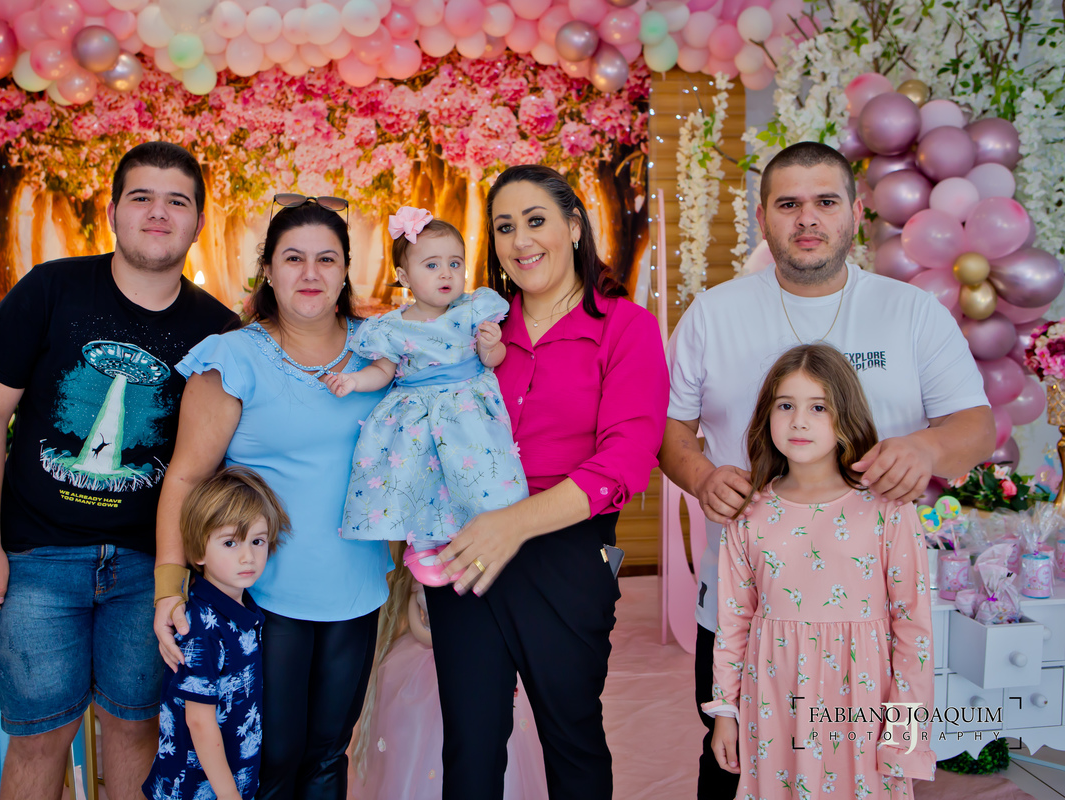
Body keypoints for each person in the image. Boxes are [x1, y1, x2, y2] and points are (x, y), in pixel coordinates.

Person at [660, 140, 994, 800]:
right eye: (788, 204)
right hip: (749, 608)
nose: (807, 218)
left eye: (825, 202)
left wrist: (926, 450)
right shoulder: (714, 314)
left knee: (863, 772)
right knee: (732, 767)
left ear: (856, 213)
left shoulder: (911, 312)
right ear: (763, 217)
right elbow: (668, 430)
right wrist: (700, 475)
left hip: (870, 622)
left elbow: (976, 426)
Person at [0, 141, 238, 800]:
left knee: (136, 731)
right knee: (39, 739)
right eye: (142, 197)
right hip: (34, 559)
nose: (158, 213)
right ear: (113, 211)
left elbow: (214, 463)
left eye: (176, 201)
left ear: (198, 221)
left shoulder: (218, 332)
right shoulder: (50, 289)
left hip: (149, 567)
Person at [426, 164, 669, 800]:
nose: (521, 240)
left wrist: (513, 525)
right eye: (505, 227)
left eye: (536, 220)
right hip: (466, 550)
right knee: (471, 748)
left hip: (569, 552)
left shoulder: (626, 327)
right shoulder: (473, 329)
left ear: (574, 226)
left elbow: (625, 461)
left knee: (572, 739)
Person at [152, 195, 392, 800]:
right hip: (260, 592)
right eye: (293, 258)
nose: (310, 273)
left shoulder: (382, 351)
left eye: (326, 259)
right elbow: (184, 478)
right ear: (267, 269)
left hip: (357, 585)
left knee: (329, 755)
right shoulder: (232, 357)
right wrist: (168, 586)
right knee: (271, 759)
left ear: (346, 270)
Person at [703, 344, 936, 798]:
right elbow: (733, 621)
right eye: (785, 406)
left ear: (845, 415)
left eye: (818, 407)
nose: (799, 421)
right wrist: (725, 713)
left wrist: (904, 737)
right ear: (766, 415)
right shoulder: (748, 513)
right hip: (773, 701)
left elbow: (914, 631)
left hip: (864, 706)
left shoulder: (887, 508)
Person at [325, 206, 527, 586]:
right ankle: (423, 540)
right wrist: (353, 381)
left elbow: (493, 361)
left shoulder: (471, 310)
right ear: (404, 277)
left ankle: (478, 534)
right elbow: (383, 371)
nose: (446, 273)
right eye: (432, 265)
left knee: (471, 473)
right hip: (416, 414)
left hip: (466, 411)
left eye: (455, 263)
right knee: (419, 474)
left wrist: (491, 345)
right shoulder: (391, 327)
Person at [349, 544, 549, 800]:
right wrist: (442, 639)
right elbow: (417, 624)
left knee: (485, 737)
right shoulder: (423, 578)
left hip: (477, 660)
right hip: (425, 663)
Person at [143, 466, 290, 800]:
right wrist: (228, 795)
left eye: (257, 541)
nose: (248, 556)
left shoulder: (243, 608)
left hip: (232, 778)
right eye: (230, 542)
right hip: (197, 788)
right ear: (198, 551)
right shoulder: (200, 627)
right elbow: (199, 722)